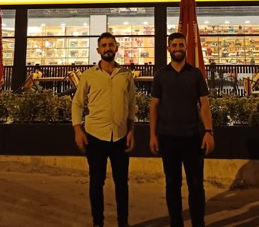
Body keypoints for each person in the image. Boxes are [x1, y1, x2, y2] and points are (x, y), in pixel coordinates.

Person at [149, 32, 215, 227]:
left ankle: (198, 223)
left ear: (186, 47)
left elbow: (204, 104)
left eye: (181, 45)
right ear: (168, 48)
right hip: (167, 137)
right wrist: (152, 135)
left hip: (193, 138)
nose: (178, 48)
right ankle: (176, 223)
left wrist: (209, 132)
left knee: (196, 185)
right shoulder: (161, 75)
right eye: (174, 45)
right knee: (172, 184)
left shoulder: (196, 74)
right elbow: (154, 106)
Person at [72, 32, 136, 227]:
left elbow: (131, 105)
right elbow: (77, 103)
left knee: (122, 183)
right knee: (96, 182)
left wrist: (131, 131)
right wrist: (78, 129)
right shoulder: (89, 76)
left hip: (120, 136)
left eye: (111, 45)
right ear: (98, 50)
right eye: (104, 45)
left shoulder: (126, 75)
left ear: (116, 48)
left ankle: (123, 222)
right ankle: (97, 222)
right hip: (95, 136)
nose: (108, 48)